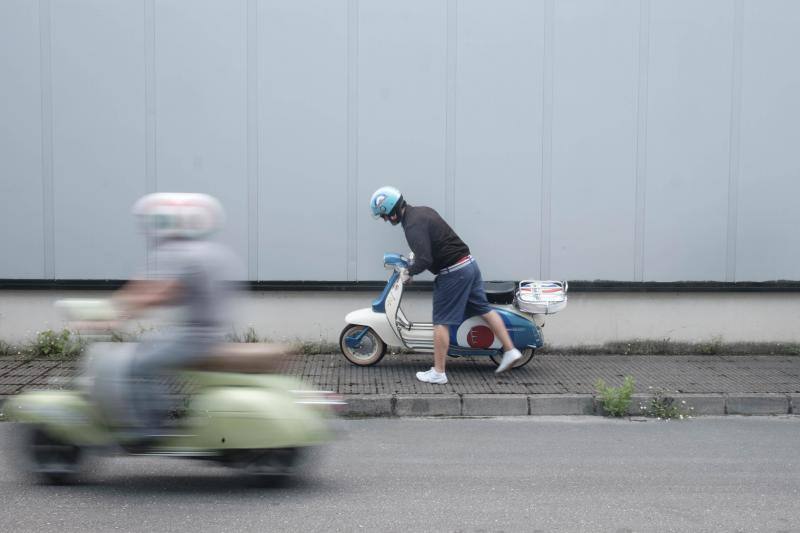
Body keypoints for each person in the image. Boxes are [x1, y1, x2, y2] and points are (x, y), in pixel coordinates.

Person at [112, 192, 240, 440]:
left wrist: (124, 310)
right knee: (143, 348)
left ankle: (150, 428)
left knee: (140, 365)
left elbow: (164, 292)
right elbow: (146, 284)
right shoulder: (208, 251)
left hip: (199, 335)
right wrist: (125, 303)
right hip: (205, 331)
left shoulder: (190, 255)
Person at [369, 186, 522, 384]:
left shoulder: (412, 226)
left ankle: (438, 372)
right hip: (469, 265)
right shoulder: (422, 211)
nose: (385, 220)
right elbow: (436, 241)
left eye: (384, 216)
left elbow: (425, 259)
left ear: (391, 210)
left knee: (441, 322)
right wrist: (417, 258)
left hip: (453, 274)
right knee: (484, 309)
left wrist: (409, 272)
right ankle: (510, 350)